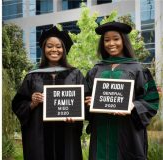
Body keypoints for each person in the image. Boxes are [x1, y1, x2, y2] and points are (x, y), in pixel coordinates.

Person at [85, 21, 160, 160]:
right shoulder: (96, 70)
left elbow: (152, 100)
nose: (111, 43)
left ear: (123, 41)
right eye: (107, 40)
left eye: (116, 39)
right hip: (101, 131)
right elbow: (85, 96)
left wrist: (134, 105)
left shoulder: (137, 69)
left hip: (127, 133)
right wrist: (87, 102)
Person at [12, 26, 86, 160]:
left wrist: (76, 115)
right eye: (49, 46)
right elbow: (18, 103)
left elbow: (85, 101)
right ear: (44, 49)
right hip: (39, 136)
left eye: (58, 46)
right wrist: (32, 103)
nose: (54, 50)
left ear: (64, 50)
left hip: (67, 134)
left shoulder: (75, 74)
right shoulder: (33, 76)